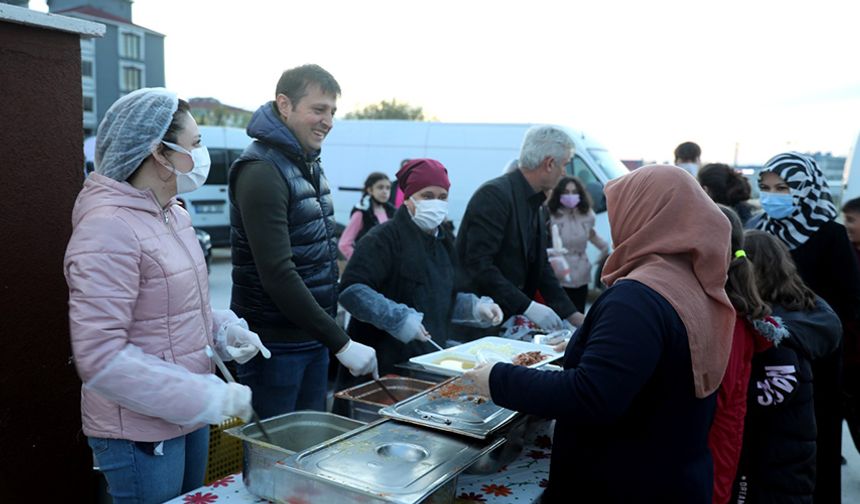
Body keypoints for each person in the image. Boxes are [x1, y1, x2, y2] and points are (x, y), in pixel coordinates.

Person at [465, 165, 736, 503]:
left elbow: (591, 396)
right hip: (671, 474)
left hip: (625, 482)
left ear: (645, 214)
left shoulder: (638, 297)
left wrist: (497, 378)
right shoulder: (692, 282)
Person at [64, 88, 266, 503]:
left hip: (187, 416)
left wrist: (225, 332)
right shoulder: (108, 228)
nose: (201, 153)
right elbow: (100, 358)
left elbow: (180, 310)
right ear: (159, 153)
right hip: (139, 432)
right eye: (195, 144)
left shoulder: (174, 212)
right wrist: (208, 396)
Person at [228, 64, 377, 418]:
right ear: (285, 105)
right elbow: (278, 274)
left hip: (312, 337)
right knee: (276, 462)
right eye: (318, 109)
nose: (328, 121)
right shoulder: (262, 169)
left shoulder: (308, 162)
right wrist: (341, 342)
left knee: (306, 453)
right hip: (276, 347)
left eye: (332, 112)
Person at [752, 152, 860, 503]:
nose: (773, 195)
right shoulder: (758, 228)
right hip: (767, 351)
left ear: (806, 188)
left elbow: (849, 301)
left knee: (817, 439)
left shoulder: (830, 234)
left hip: (820, 358)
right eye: (766, 187)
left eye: (783, 187)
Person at [338, 159, 503, 378]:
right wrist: (398, 319)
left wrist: (474, 308)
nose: (436, 203)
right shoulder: (382, 239)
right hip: (382, 368)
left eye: (442, 197)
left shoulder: (444, 243)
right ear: (408, 199)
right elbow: (352, 291)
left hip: (427, 363)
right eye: (427, 196)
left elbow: (443, 298)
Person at [735, 230, 842, 503]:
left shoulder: (772, 331)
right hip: (793, 456)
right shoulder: (807, 310)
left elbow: (774, 391)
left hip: (773, 461)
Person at [456, 125, 583, 335]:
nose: (564, 173)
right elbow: (478, 264)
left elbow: (541, 266)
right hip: (480, 321)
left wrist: (572, 314)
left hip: (506, 319)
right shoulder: (495, 195)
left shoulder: (536, 203)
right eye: (565, 165)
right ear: (549, 163)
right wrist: (527, 306)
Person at [707, 205, 776, 504]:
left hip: (713, 452)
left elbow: (716, 395)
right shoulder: (732, 309)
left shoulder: (728, 319)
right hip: (717, 447)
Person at [546, 176, 610, 313]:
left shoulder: (587, 215)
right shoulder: (551, 215)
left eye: (574, 192)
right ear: (559, 194)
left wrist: (602, 257)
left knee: (579, 312)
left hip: (581, 272)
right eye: (566, 192)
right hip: (559, 273)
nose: (570, 196)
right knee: (560, 313)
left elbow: (596, 238)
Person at [338, 172, 395, 260]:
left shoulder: (393, 212)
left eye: (388, 188)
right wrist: (361, 262)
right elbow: (344, 244)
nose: (385, 191)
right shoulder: (362, 213)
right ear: (370, 190)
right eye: (380, 187)